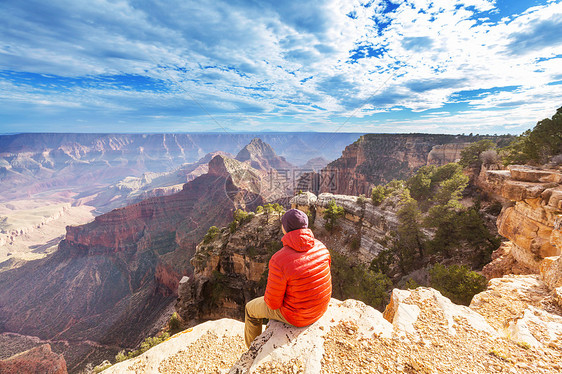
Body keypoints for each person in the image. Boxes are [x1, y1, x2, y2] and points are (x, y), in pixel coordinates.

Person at [244, 208, 332, 348]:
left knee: (250, 309)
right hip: (321, 308)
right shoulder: (322, 248)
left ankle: (252, 351)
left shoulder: (279, 260)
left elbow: (272, 304)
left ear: (285, 228)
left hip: (297, 317)